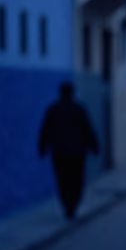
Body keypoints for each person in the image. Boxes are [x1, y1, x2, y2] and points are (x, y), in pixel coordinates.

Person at [37, 81, 100, 220]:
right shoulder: (79, 110)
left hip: (59, 152)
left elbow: (44, 131)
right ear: (72, 93)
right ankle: (73, 204)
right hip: (77, 153)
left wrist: (42, 148)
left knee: (62, 179)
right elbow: (88, 130)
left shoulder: (52, 110)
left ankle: (67, 204)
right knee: (77, 179)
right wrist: (94, 147)